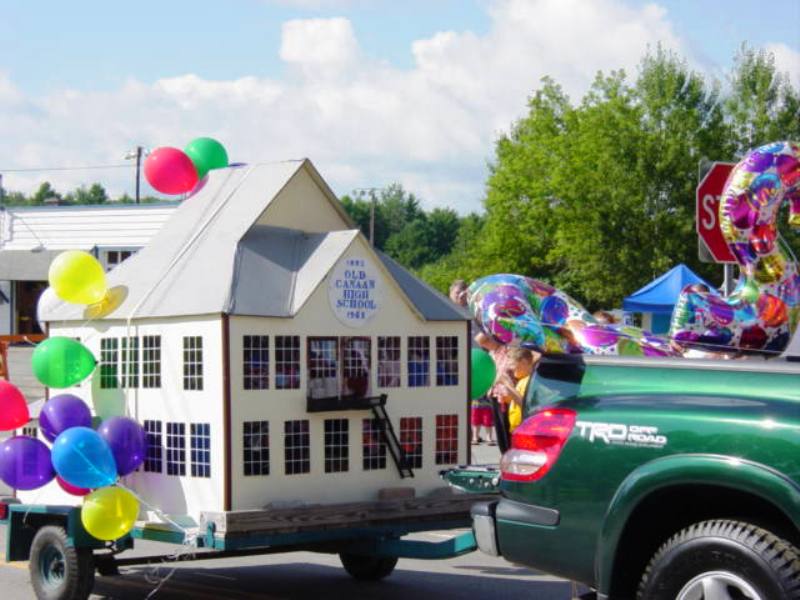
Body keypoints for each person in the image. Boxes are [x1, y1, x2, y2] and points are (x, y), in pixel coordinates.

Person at [475, 331, 515, 449]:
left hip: (504, 394)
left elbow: (502, 372)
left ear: (491, 340)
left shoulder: (506, 350)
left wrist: (493, 380)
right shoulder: (492, 353)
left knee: (505, 426)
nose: (484, 346)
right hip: (494, 393)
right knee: (499, 426)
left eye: (484, 343)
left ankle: (508, 450)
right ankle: (504, 450)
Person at [500, 347, 541, 433]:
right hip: (518, 428)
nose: (511, 368)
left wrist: (508, 385)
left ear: (523, 362)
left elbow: (524, 405)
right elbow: (515, 401)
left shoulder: (530, 381)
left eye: (512, 364)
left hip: (526, 429)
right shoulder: (522, 380)